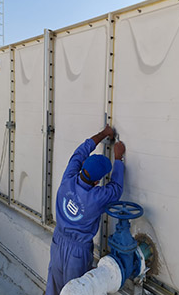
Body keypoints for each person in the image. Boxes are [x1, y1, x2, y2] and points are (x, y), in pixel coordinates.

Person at [45, 125, 126, 295]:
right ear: (97, 183)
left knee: (54, 286)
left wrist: (103, 133)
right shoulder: (95, 199)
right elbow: (116, 188)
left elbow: (80, 151)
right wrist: (118, 159)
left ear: (82, 167)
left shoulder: (69, 177)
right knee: (76, 290)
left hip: (57, 243)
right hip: (77, 253)